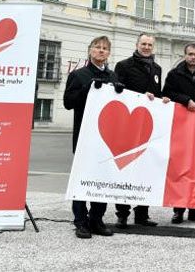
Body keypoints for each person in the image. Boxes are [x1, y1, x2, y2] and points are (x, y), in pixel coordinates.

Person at [113, 33, 170, 229]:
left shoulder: (157, 68)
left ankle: (142, 214)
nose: (146, 47)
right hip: (128, 124)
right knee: (126, 169)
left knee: (147, 170)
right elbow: (117, 92)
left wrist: (163, 99)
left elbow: (157, 93)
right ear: (137, 45)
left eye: (149, 45)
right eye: (143, 44)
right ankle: (122, 214)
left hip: (148, 125)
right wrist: (139, 96)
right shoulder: (123, 66)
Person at [63, 35, 117, 239]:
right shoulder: (78, 75)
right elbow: (68, 103)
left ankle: (97, 219)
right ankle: (81, 221)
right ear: (90, 50)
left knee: (101, 180)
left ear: (109, 53)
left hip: (106, 139)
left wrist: (120, 91)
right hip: (85, 137)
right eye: (97, 47)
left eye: (105, 48)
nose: (101, 51)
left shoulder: (112, 76)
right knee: (82, 179)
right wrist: (86, 89)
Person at [162, 43, 195, 225]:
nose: (193, 57)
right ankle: (178, 209)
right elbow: (167, 93)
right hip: (181, 128)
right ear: (185, 55)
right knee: (180, 169)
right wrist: (186, 100)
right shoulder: (174, 74)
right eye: (190, 54)